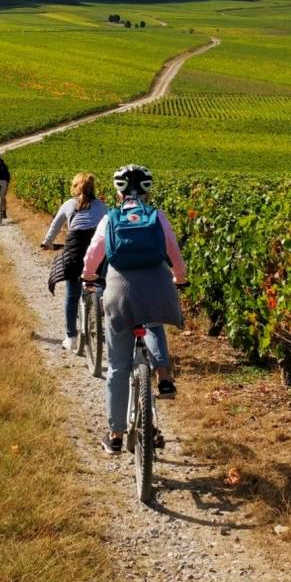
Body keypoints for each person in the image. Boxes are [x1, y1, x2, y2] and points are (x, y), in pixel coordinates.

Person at [82, 164, 187, 455]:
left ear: (119, 193)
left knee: (118, 366)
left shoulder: (110, 218)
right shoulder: (157, 216)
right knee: (153, 323)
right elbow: (174, 252)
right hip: (157, 288)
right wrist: (180, 278)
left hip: (119, 293)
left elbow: (93, 254)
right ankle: (163, 377)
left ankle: (115, 435)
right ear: (147, 192)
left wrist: (88, 276)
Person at [41, 173, 108, 351]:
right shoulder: (102, 206)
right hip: (98, 253)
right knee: (101, 284)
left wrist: (47, 243)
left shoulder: (69, 204)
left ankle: (71, 337)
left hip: (75, 253)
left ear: (74, 187)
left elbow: (55, 226)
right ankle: (103, 312)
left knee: (72, 297)